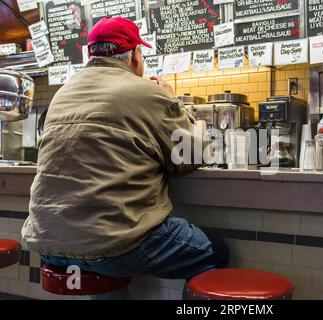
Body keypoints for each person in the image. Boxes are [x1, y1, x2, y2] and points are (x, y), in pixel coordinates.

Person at [21, 17, 229, 281]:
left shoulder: (62, 93)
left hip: (45, 243)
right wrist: (172, 99)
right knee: (217, 252)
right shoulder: (145, 91)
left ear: (90, 55)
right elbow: (193, 154)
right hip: (112, 247)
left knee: (100, 259)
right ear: (135, 55)